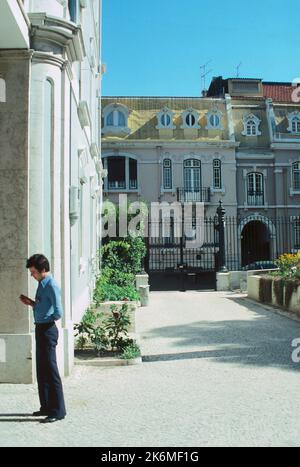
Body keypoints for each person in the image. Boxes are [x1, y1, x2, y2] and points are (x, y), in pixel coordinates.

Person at [20, 254, 66, 423]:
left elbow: (58, 312)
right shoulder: (41, 284)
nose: (32, 275)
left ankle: (58, 411)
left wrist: (47, 318)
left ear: (42, 270)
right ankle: (46, 407)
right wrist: (31, 303)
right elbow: (42, 304)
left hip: (48, 330)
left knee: (51, 370)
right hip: (40, 329)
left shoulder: (51, 285)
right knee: (42, 369)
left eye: (33, 272)